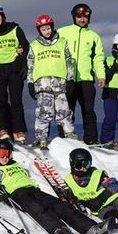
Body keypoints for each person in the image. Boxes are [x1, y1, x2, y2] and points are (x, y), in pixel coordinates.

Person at [0, 138, 97, 234]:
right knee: (37, 208)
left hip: (33, 190)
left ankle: (90, 228)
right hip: (17, 194)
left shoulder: (15, 164)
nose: (6, 157)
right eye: (2, 154)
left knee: (59, 205)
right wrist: (2, 197)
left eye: (9, 154)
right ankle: (59, 230)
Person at [57, 3, 105, 144]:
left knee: (88, 111)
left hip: (86, 79)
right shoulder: (62, 32)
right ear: (74, 17)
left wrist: (100, 75)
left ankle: (91, 140)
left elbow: (98, 57)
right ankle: (64, 140)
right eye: (79, 16)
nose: (82, 19)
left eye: (85, 17)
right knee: (66, 111)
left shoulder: (93, 36)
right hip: (67, 79)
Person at [26, 14, 75, 150]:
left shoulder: (62, 42)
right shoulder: (34, 45)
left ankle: (69, 134)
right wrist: (30, 83)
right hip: (43, 84)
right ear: (39, 31)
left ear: (52, 27)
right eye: (43, 29)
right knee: (44, 111)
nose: (46, 31)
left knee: (63, 110)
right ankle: (41, 138)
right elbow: (30, 65)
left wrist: (70, 79)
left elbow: (69, 61)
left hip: (60, 83)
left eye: (48, 28)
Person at [0, 4, 29, 142]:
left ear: (2, 15)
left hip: (14, 67)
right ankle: (1, 130)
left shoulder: (15, 29)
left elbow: (25, 47)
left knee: (16, 101)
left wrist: (23, 64)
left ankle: (18, 131)